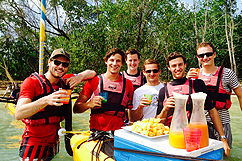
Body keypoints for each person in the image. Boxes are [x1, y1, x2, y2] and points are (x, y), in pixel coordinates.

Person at [15, 48, 96, 161]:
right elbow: (18, 113)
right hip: (34, 142)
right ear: (49, 62)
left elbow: (92, 73)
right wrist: (46, 100)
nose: (60, 67)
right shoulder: (32, 82)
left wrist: (80, 76)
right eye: (57, 62)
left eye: (65, 64)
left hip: (54, 143)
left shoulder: (66, 81)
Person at [157, 51, 230, 156]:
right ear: (169, 67)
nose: (177, 68)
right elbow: (158, 122)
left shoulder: (198, 84)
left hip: (195, 139)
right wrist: (165, 110)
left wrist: (223, 139)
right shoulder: (163, 90)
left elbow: (212, 111)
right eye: (174, 66)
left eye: (180, 64)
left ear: (185, 65)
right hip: (173, 139)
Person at [187, 42, 242, 149]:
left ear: (214, 55)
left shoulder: (227, 73)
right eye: (201, 55)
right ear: (198, 57)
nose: (205, 57)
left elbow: (240, 96)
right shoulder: (194, 75)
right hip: (200, 124)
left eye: (208, 54)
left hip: (223, 122)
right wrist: (187, 80)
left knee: (223, 155)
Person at [73, 48, 133, 131]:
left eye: (118, 61)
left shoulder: (128, 84)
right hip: (97, 132)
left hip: (119, 134)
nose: (114, 64)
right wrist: (89, 104)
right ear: (106, 61)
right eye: (111, 60)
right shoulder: (94, 81)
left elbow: (131, 110)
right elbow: (76, 108)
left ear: (122, 63)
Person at [120, 49, 146, 124]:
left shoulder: (144, 77)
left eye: (135, 60)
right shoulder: (120, 76)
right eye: (130, 60)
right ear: (126, 61)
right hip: (123, 116)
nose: (132, 63)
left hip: (139, 114)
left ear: (139, 61)